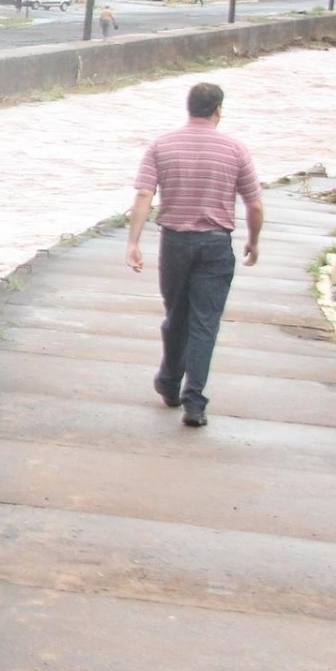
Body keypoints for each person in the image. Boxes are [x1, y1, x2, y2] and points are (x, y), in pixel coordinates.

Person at [124, 82, 263, 427]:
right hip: (216, 244)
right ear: (218, 109)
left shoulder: (162, 145)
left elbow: (144, 194)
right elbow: (254, 203)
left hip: (174, 243)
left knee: (176, 315)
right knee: (205, 322)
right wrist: (254, 240)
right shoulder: (235, 149)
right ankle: (194, 402)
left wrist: (133, 242)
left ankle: (170, 382)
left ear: (189, 108)